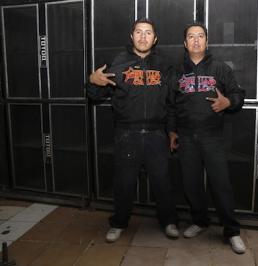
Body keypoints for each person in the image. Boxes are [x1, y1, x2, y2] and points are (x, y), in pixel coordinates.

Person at [86, 18, 179, 242]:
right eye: (139, 32)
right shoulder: (117, 62)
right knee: (124, 182)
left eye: (148, 33)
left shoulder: (165, 65)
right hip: (127, 134)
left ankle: (169, 221)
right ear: (132, 36)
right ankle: (119, 222)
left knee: (162, 182)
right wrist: (93, 81)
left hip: (157, 134)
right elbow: (95, 96)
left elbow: (172, 103)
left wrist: (172, 131)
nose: (143, 36)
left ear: (155, 39)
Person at [167, 22, 246, 254]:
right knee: (191, 184)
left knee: (221, 185)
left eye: (200, 36)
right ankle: (200, 221)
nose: (196, 40)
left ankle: (232, 231)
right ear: (185, 43)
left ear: (207, 41)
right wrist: (172, 131)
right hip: (186, 138)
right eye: (191, 37)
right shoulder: (176, 71)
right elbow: (170, 105)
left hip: (212, 137)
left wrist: (228, 102)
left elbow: (238, 93)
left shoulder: (221, 68)